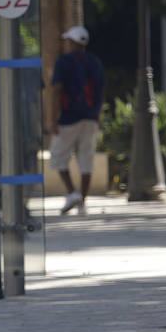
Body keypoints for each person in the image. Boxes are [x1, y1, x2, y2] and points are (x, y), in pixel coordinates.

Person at [49, 25, 105, 215]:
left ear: (72, 42)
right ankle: (83, 202)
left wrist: (52, 118)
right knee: (86, 158)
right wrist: (97, 115)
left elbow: (57, 90)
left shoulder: (63, 62)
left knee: (58, 156)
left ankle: (72, 192)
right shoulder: (95, 62)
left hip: (68, 117)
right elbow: (101, 90)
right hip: (90, 117)